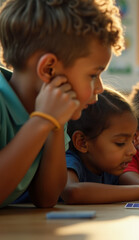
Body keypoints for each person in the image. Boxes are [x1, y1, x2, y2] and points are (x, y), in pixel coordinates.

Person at [0, 0, 124, 208]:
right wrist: (41, 121)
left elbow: (46, 197)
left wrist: (54, 125)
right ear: (49, 69)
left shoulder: (53, 113)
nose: (100, 88)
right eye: (93, 74)